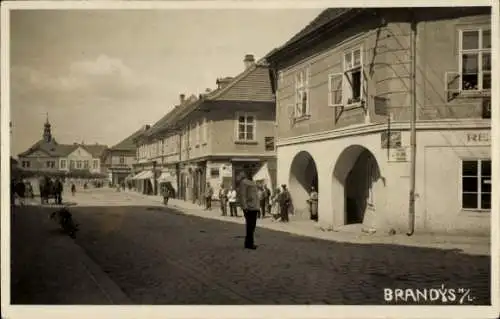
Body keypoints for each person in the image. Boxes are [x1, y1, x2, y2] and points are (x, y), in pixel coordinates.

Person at [238, 170, 260, 250]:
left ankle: (249, 242)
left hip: (254, 207)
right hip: (249, 207)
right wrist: (245, 207)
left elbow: (256, 196)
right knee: (250, 226)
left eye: (252, 172)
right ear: (247, 173)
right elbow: (242, 195)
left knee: (252, 226)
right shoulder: (244, 182)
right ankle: (249, 244)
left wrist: (258, 207)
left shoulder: (253, 182)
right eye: (249, 172)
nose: (251, 174)